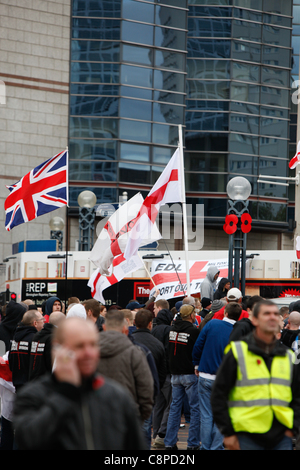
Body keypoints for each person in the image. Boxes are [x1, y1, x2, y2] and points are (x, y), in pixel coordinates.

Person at [12, 317, 148, 450]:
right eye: (79, 346)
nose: (89, 353)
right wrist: (66, 392)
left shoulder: (116, 396)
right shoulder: (33, 395)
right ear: (58, 348)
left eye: (93, 344)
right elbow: (28, 439)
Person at [211, 299, 300, 450]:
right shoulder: (238, 352)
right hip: (246, 435)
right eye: (266, 313)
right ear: (254, 320)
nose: (272, 317)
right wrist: (228, 433)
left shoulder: (286, 355)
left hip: (281, 437)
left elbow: (296, 395)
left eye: (275, 314)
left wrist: (292, 428)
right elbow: (219, 394)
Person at [192, 302, 242, 450]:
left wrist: (196, 364)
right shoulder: (239, 332)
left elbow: (198, 345)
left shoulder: (212, 324)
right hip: (226, 380)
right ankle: (215, 447)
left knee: (206, 415)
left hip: (206, 375)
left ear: (225, 313)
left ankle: (205, 447)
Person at [97, 309, 154, 423]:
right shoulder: (136, 353)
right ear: (125, 330)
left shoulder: (89, 354)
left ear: (104, 328)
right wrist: (139, 416)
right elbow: (146, 387)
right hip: (127, 416)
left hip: (97, 417)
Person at [164, 304, 200, 450]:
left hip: (175, 374)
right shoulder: (193, 331)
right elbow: (197, 351)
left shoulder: (171, 330)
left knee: (174, 409)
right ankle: (192, 443)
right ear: (192, 316)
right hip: (189, 374)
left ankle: (169, 442)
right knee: (195, 409)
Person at [151, 306, 174, 449]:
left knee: (158, 405)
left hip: (155, 373)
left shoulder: (154, 330)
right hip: (167, 373)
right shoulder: (169, 330)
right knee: (171, 404)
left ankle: (155, 434)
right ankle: (162, 433)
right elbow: (168, 352)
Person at [9, 309, 44, 392]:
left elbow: (11, 362)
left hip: (17, 384)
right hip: (32, 386)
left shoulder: (15, 338)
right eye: (42, 320)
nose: (43, 322)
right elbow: (37, 364)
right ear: (35, 323)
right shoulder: (35, 339)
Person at [29, 311, 66, 381]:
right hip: (45, 382)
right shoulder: (53, 338)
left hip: (33, 379)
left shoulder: (37, 335)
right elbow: (52, 362)